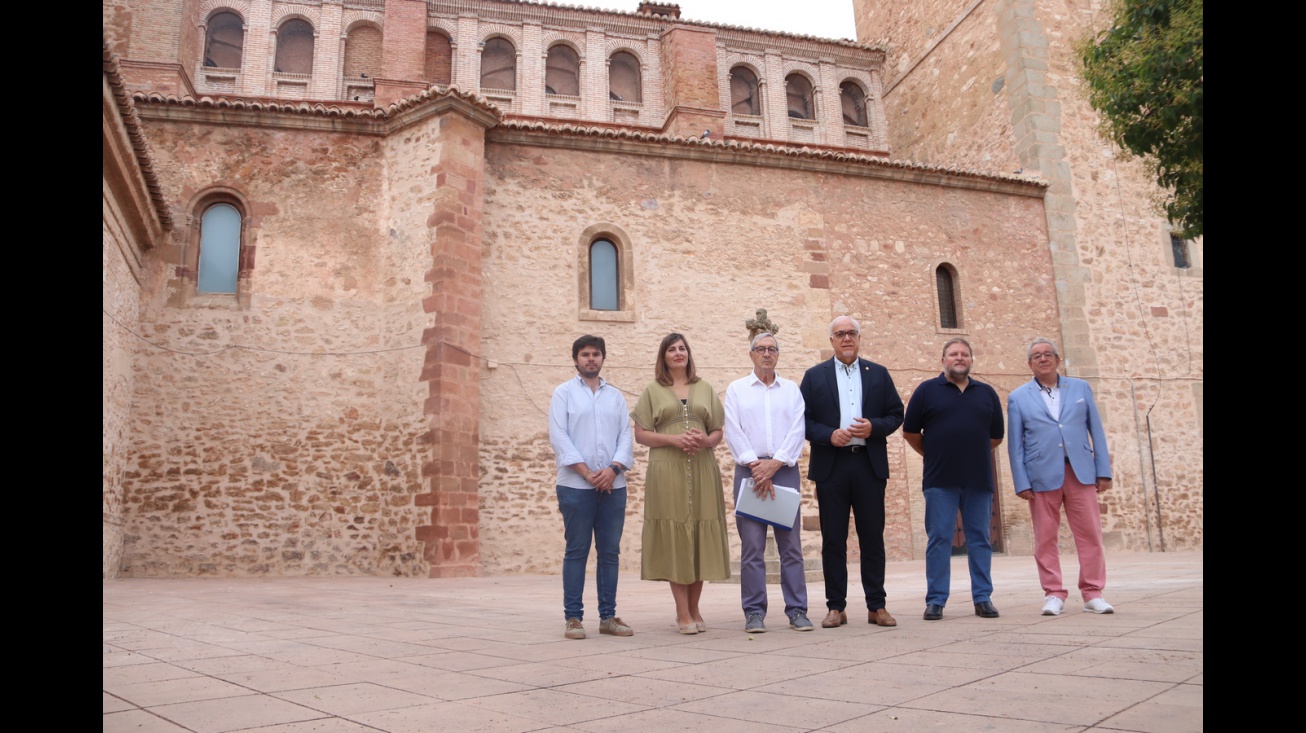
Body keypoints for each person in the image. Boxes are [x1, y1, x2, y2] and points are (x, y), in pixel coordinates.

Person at [799, 316, 904, 629]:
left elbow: (896, 414)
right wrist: (829, 434)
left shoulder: (879, 374)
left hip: (868, 464)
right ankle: (836, 607)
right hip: (832, 465)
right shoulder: (815, 376)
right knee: (833, 539)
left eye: (851, 333)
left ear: (859, 338)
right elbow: (802, 421)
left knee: (873, 536)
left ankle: (877, 605)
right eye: (840, 334)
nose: (846, 339)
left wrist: (874, 427)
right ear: (831, 340)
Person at [1007, 337, 1115, 615]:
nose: (1042, 359)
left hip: (1080, 473)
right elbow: (1015, 444)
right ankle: (1053, 593)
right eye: (1036, 356)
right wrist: (1021, 481)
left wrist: (1103, 471)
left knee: (1090, 535)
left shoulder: (1080, 388)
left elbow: (1097, 431)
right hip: (1041, 476)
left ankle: (1093, 592)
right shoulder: (1018, 397)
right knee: (1045, 538)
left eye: (1047, 354)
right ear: (1030, 364)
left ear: (1057, 359)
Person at [632, 333, 731, 635]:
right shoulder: (652, 390)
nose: (678, 353)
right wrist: (673, 439)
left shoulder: (705, 388)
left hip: (702, 467)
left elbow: (717, 431)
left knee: (700, 531)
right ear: (663, 357)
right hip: (667, 469)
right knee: (677, 535)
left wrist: (705, 441)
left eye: (682, 348)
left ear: (689, 354)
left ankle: (695, 608)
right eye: (671, 350)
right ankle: (681, 612)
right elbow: (641, 434)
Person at [902, 338, 1005, 621]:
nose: (959, 358)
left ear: (971, 360)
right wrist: (933, 453)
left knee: (980, 539)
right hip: (939, 479)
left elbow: (996, 436)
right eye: (953, 354)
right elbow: (910, 432)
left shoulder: (987, 393)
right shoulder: (926, 391)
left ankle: (983, 598)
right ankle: (936, 600)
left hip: (978, 479)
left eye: (964, 354)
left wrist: (971, 453)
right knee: (939, 539)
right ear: (943, 360)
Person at [723, 332, 813, 633]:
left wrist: (774, 465)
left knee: (791, 547)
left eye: (772, 349)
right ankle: (753, 612)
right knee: (752, 548)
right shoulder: (737, 390)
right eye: (760, 349)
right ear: (751, 354)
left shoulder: (791, 390)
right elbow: (732, 429)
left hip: (784, 470)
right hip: (749, 471)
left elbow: (798, 429)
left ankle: (797, 610)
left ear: (778, 354)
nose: (766, 354)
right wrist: (754, 465)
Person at [548, 335, 636, 640]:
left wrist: (612, 470)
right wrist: (588, 474)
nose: (590, 359)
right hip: (575, 486)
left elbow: (626, 436)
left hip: (614, 485)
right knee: (577, 551)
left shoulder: (616, 397)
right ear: (575, 360)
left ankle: (608, 616)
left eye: (596, 354)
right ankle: (573, 617)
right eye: (585, 354)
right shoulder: (563, 394)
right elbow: (560, 437)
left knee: (609, 552)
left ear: (602, 358)